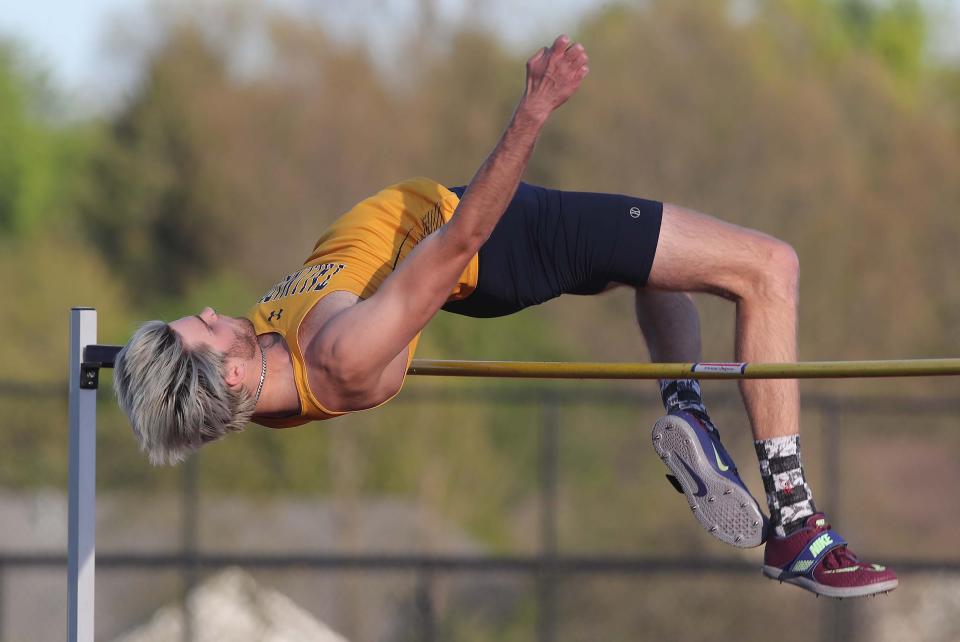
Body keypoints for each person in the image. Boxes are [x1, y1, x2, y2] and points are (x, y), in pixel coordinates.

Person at [114, 35, 897, 598]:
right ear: (234, 372)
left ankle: (685, 409)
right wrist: (535, 108)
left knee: (656, 261)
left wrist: (130, 371)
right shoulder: (341, 355)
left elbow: (192, 406)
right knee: (769, 267)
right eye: (204, 327)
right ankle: (796, 524)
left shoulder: (251, 384)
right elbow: (464, 238)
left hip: (473, 241)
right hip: (497, 236)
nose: (216, 310)